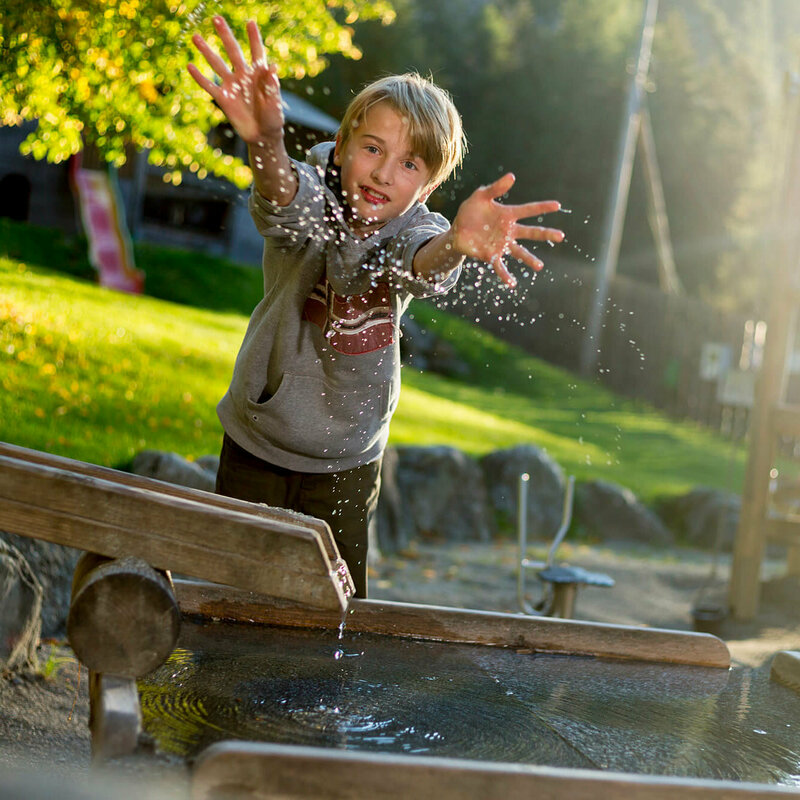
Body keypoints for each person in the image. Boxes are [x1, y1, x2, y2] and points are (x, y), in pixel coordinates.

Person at [188, 16, 565, 597]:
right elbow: (283, 201)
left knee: (333, 607)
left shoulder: (416, 229)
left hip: (348, 458)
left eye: (410, 164)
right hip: (259, 436)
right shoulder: (315, 191)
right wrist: (264, 143)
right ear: (340, 149)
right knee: (235, 592)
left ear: (427, 188)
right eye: (373, 148)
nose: (385, 173)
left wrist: (455, 247)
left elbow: (420, 264)